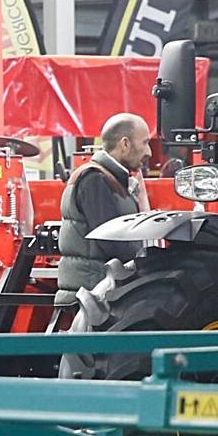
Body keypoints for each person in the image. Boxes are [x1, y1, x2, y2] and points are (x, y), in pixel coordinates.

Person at [57, 112, 153, 304]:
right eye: (145, 143)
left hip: (96, 295)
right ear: (125, 144)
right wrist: (150, 261)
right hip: (91, 299)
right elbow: (110, 239)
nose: (149, 152)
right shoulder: (95, 179)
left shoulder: (110, 179)